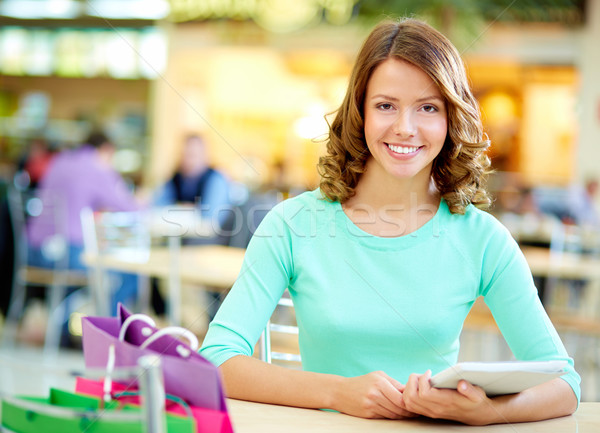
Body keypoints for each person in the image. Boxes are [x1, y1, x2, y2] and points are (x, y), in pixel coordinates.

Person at [199, 18, 580, 425]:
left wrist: (488, 412)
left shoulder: (484, 240)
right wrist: (336, 391)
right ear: (360, 112)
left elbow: (565, 383)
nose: (405, 128)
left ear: (450, 118)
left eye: (428, 107)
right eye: (385, 105)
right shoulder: (291, 225)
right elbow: (216, 360)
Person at [27, 131, 140, 314]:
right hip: (67, 254)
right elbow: (128, 207)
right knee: (130, 274)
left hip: (33, 251)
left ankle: (63, 328)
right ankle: (107, 334)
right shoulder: (96, 167)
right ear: (106, 150)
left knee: (86, 270)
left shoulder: (59, 161)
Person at [153, 134, 231, 232]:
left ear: (205, 156)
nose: (190, 161)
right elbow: (157, 209)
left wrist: (179, 209)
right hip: (177, 235)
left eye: (194, 155)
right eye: (186, 155)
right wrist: (190, 210)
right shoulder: (175, 179)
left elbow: (211, 219)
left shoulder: (215, 179)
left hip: (209, 240)